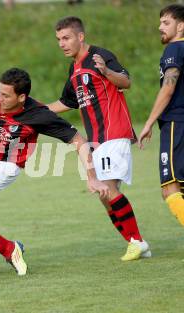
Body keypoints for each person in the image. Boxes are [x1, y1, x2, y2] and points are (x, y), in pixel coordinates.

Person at [0, 68, 110, 285]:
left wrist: (91, 176)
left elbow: (78, 141)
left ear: (22, 97)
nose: (0, 99)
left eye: (6, 96)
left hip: (4, 165)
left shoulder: (39, 114)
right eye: (0, 93)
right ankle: (10, 249)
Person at [46, 16, 151, 261]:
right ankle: (136, 242)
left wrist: (106, 70)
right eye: (59, 39)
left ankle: (137, 241)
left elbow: (126, 81)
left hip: (113, 132)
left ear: (80, 36)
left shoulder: (98, 56)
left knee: (108, 188)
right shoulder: (74, 68)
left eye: (66, 38)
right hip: (97, 140)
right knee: (105, 195)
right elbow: (66, 102)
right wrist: (36, 112)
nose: (62, 43)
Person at [139, 4, 184, 225]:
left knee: (170, 188)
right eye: (160, 22)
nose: (160, 27)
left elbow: (168, 87)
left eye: (166, 23)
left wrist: (148, 122)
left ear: (181, 26)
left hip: (176, 122)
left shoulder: (174, 49)